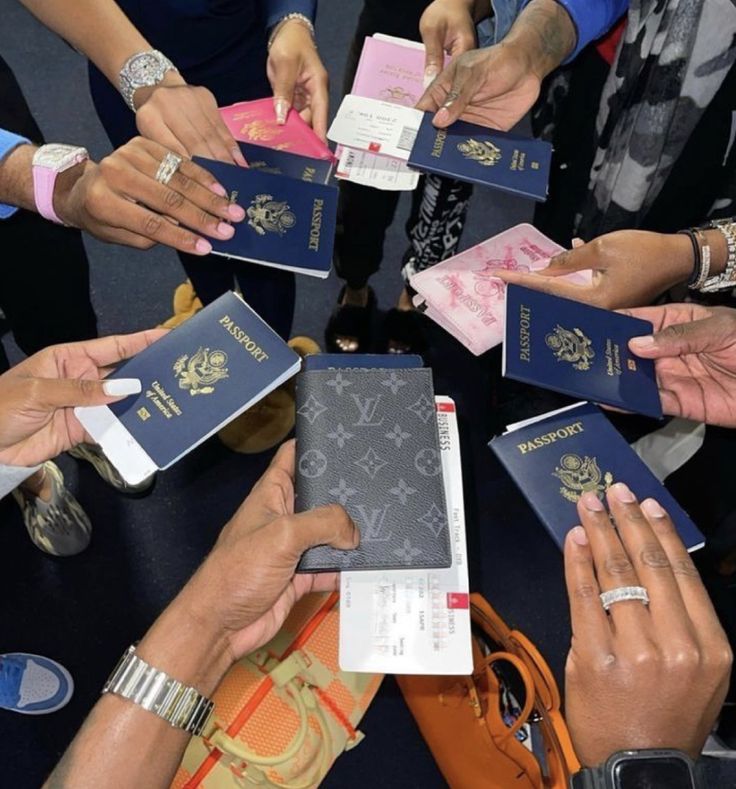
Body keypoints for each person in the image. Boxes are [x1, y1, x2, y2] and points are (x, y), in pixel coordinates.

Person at [19, 0, 329, 342]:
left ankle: (272, 347)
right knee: (182, 217)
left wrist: (291, 18)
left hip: (240, 62)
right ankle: (215, 309)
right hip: (119, 63)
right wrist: (144, 76)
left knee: (266, 235)